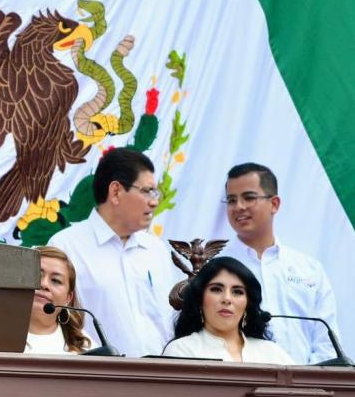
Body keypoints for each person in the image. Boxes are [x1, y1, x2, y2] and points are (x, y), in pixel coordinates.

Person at [48, 147, 182, 357]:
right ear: (116, 191)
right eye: (147, 191)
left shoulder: (156, 250)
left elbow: (170, 320)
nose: (154, 201)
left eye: (156, 193)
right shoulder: (67, 246)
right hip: (98, 377)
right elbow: (54, 320)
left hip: (162, 377)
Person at [217, 163, 339, 364]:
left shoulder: (308, 269)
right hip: (238, 384)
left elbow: (327, 341)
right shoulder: (216, 268)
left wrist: (307, 383)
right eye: (231, 200)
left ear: (274, 204)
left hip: (305, 388)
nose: (238, 207)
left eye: (249, 197)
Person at [163, 257, 295, 364]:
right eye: (216, 289)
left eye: (237, 292)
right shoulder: (181, 351)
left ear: (247, 304)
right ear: (200, 299)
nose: (227, 299)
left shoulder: (271, 353)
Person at [25, 246, 91, 354]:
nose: (44, 284)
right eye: (36, 274)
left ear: (68, 298)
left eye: (56, 280)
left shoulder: (85, 349)